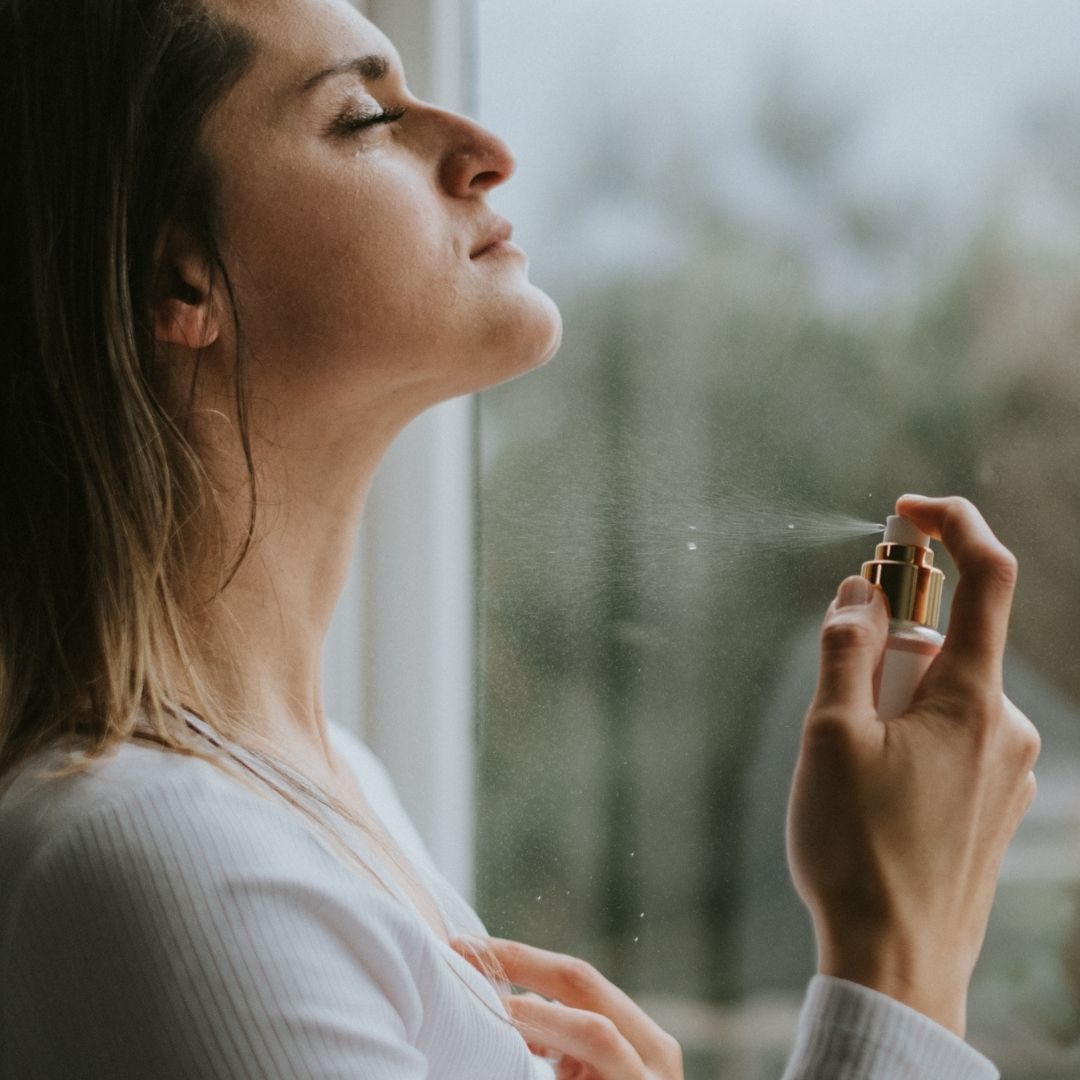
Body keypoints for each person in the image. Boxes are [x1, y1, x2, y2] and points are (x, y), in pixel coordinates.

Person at [0, 0, 1039, 1077]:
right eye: (364, 117)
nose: (488, 151)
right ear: (181, 277)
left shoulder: (332, 788)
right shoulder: (163, 854)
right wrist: (900, 955)